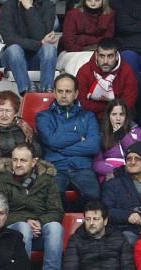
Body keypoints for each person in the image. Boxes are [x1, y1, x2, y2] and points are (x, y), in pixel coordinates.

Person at [0, 142, 64, 270]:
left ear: (34, 162)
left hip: (39, 230)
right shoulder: (2, 180)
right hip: (12, 231)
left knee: (55, 227)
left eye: (23, 160)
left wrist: (40, 222)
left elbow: (57, 211)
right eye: (15, 160)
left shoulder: (47, 181)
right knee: (24, 228)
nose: (18, 164)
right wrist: (27, 221)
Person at [36, 74, 101, 203]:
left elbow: (93, 146)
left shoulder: (88, 116)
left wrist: (61, 149)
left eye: (68, 91)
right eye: (60, 91)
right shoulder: (43, 117)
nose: (64, 95)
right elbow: (51, 141)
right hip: (55, 168)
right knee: (53, 198)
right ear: (54, 92)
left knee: (94, 197)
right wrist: (78, 136)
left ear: (76, 93)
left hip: (82, 168)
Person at [0, 0, 59, 95]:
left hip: (36, 57)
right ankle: (27, 90)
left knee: (49, 49)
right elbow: (9, 39)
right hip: (13, 58)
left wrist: (29, 8)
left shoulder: (48, 5)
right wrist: (39, 43)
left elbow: (41, 35)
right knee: (14, 49)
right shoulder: (8, 6)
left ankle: (47, 90)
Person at [76, 41, 138, 122]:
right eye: (102, 56)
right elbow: (82, 102)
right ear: (96, 56)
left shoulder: (127, 71)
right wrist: (106, 107)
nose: (105, 61)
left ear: (116, 56)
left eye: (110, 56)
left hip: (119, 117)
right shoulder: (84, 71)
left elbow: (128, 103)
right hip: (91, 116)